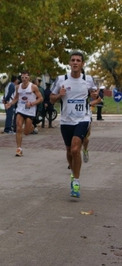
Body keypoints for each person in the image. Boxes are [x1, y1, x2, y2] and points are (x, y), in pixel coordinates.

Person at [50, 51, 98, 198]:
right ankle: (73, 173)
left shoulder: (88, 79)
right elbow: (51, 99)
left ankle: (76, 182)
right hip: (66, 120)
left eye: (78, 60)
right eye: (73, 60)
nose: (75, 62)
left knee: (76, 149)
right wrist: (59, 95)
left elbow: (95, 94)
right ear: (69, 63)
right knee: (70, 150)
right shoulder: (61, 79)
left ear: (82, 64)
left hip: (82, 118)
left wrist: (95, 96)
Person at [5, 71, 43, 156]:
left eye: (26, 77)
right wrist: (10, 104)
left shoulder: (33, 87)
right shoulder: (18, 87)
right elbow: (16, 98)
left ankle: (31, 127)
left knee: (26, 132)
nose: (24, 79)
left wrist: (32, 104)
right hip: (20, 109)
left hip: (30, 111)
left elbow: (40, 99)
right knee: (18, 128)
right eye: (22, 77)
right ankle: (19, 149)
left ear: (29, 78)